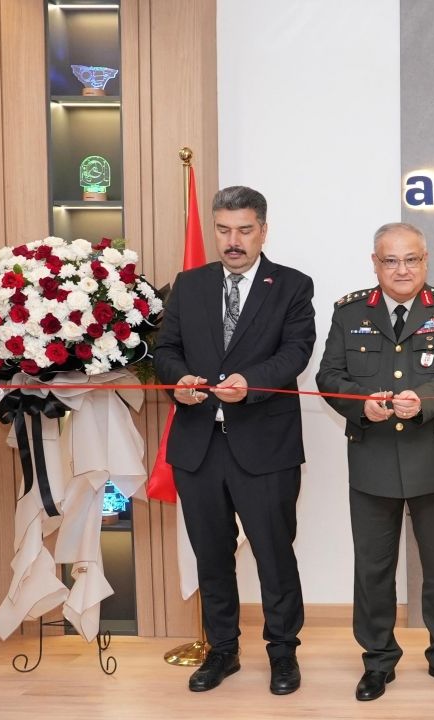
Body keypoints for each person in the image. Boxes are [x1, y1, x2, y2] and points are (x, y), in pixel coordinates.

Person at [154, 185, 315, 695]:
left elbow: (296, 352)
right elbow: (166, 350)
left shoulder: (291, 285)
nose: (233, 241)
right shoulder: (190, 284)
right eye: (223, 230)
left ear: (263, 231)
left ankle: (283, 652)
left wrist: (250, 383)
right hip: (198, 446)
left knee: (274, 554)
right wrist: (179, 382)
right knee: (211, 555)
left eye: (244, 230)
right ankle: (222, 650)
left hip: (265, 445)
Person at [316, 222, 434, 702]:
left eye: (411, 259)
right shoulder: (349, 312)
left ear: (426, 260)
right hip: (374, 458)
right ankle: (378, 660)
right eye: (391, 260)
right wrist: (361, 404)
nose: (402, 269)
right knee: (373, 569)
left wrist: (422, 400)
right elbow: (329, 375)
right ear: (375, 263)